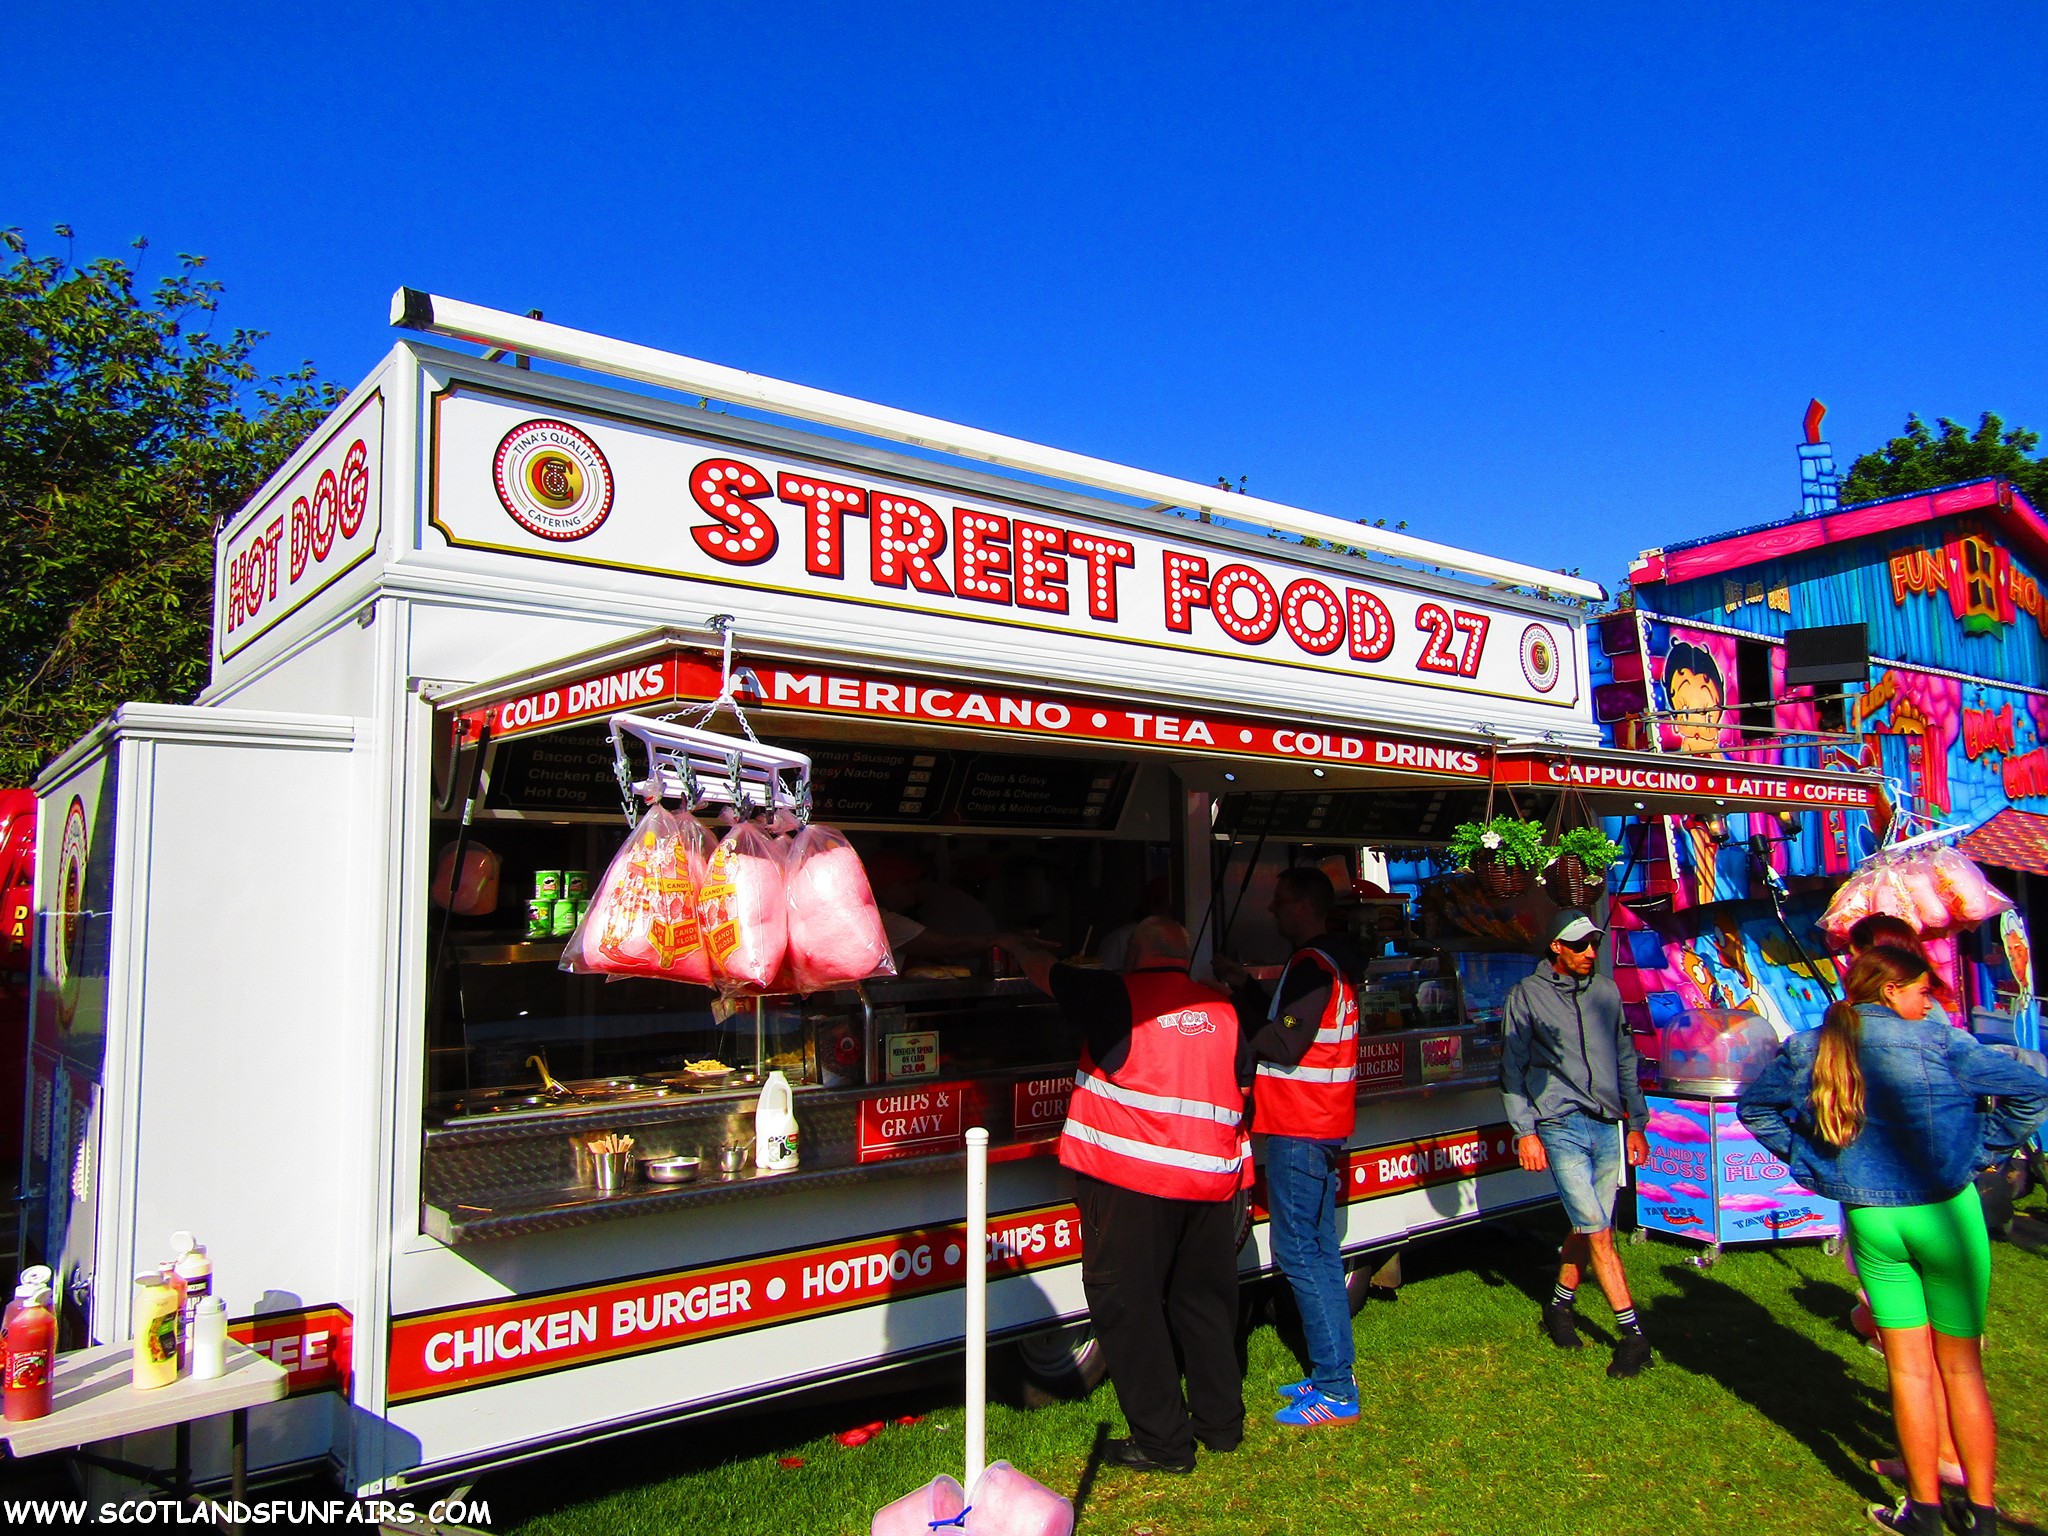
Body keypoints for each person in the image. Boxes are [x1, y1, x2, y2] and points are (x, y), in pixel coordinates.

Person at [1740, 946, 2047, 1536]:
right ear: (1891, 991)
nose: (1928, 1002)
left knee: (1907, 1372)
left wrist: (1814, 1165)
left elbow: (1758, 1109)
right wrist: (1980, 1153)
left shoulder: (1813, 1046)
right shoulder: (1941, 1043)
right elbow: (2029, 1088)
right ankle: (1982, 1514)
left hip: (1873, 1221)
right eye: (1921, 992)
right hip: (1944, 1215)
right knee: (1961, 1371)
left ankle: (1924, 1512)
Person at [1004, 917, 1250, 1473]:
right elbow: (1237, 1083)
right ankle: (1221, 1426)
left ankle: (1164, 1444)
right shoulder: (1222, 1008)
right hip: (1211, 1180)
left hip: (1133, 1184)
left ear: (1134, 952)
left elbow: (1049, 975)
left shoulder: (1114, 993)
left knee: (1128, 1309)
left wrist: (1018, 944)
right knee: (1205, 1303)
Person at [1212, 867, 1366, 1427]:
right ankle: (1332, 1373)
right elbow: (1291, 1027)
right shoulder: (1333, 962)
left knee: (1299, 1252)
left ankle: (1335, 1390)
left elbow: (1282, 1040)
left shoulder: (1311, 965)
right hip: (1319, 1124)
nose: (1272, 911)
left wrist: (1226, 1017)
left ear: (1304, 906)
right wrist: (1245, 987)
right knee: (1320, 1251)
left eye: (1279, 903)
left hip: (1300, 1127)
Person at [1499, 908, 1653, 1377]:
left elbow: (1626, 1058)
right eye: (1581, 945)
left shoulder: (1606, 992)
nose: (1591, 952)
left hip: (1607, 1124)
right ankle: (1634, 1335)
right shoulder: (1525, 997)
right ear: (1556, 948)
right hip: (1559, 1125)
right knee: (1599, 1231)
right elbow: (1511, 1068)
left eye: (1594, 944)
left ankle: (1558, 1307)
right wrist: (1525, 1132)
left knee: (1592, 1225)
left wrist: (1638, 1122)